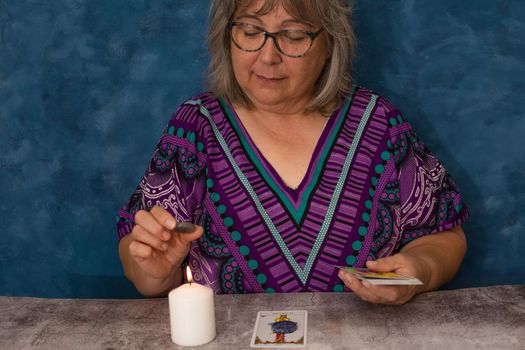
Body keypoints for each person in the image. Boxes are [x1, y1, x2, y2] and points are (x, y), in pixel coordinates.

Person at [117, 0, 468, 305]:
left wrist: (420, 270)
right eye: (251, 31)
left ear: (331, 42)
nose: (268, 56)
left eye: (295, 35)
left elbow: (444, 236)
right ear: (227, 35)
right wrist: (156, 272)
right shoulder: (195, 128)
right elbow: (143, 262)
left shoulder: (380, 126)